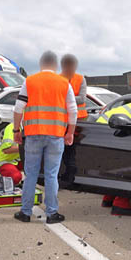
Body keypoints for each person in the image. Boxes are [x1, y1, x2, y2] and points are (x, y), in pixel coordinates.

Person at [13, 51, 77, 224]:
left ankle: (25, 213)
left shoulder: (30, 81)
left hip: (33, 135)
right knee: (51, 175)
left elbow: (18, 108)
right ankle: (52, 213)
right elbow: (73, 111)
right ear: (55, 66)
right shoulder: (65, 84)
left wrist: (16, 130)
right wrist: (70, 132)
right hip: (56, 136)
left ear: (41, 64)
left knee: (31, 174)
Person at [96, 101, 131, 216]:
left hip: (97, 130)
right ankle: (120, 204)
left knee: (113, 167)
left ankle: (108, 198)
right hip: (113, 130)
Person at [59, 54, 86, 184]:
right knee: (63, 150)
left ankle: (71, 176)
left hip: (79, 120)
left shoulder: (80, 79)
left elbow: (82, 99)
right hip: (62, 120)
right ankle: (66, 175)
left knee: (73, 150)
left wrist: (66, 98)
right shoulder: (58, 79)